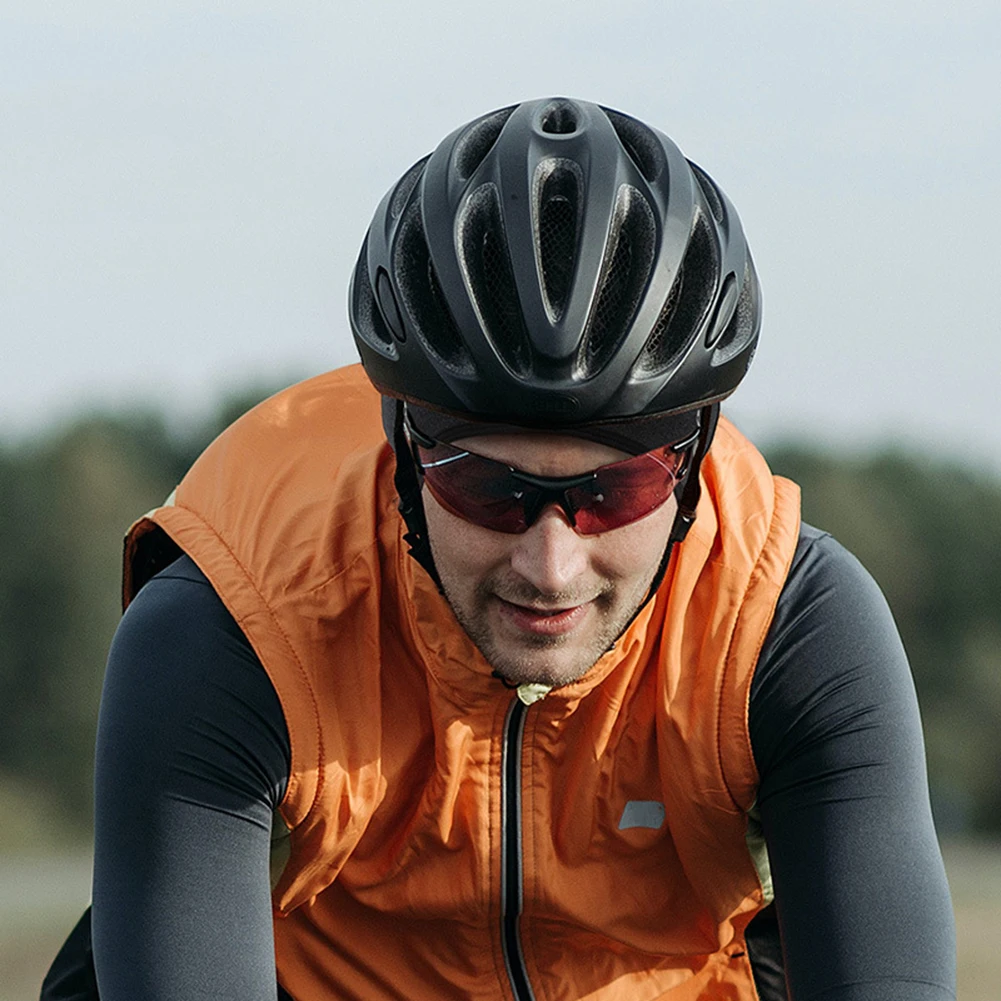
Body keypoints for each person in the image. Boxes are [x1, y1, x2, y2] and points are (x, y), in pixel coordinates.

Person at [42, 97, 955, 1001]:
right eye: (486, 487)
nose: (549, 565)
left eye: (613, 491)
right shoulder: (236, 621)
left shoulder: (786, 625)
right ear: (402, 448)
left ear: (689, 465)